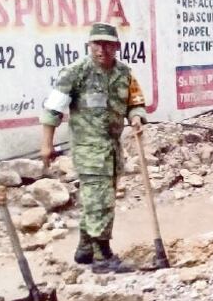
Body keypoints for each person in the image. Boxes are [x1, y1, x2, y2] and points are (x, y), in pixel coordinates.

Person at [39, 23, 147, 274]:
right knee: (100, 201)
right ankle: (102, 256)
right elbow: (53, 110)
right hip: (88, 150)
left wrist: (136, 117)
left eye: (108, 45)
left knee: (96, 199)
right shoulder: (75, 73)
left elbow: (136, 102)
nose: (102, 50)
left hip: (112, 149)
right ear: (89, 46)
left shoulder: (124, 74)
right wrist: (46, 145)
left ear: (117, 47)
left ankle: (85, 249)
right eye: (97, 44)